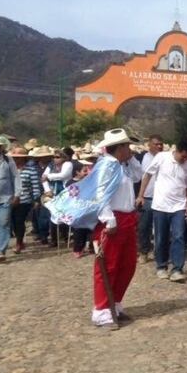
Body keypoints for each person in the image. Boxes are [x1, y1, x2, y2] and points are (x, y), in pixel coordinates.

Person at [46, 128, 139, 329]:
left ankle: (115, 303)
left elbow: (139, 176)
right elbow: (100, 193)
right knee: (109, 265)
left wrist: (131, 160)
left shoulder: (122, 165)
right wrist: (108, 219)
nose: (130, 149)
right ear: (120, 147)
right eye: (127, 146)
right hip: (113, 218)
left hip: (128, 218)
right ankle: (102, 310)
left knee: (127, 264)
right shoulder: (107, 165)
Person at [137, 140, 187, 282]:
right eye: (183, 157)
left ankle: (177, 269)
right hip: (160, 205)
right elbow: (147, 175)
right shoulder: (162, 157)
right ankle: (161, 266)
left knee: (179, 236)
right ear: (176, 151)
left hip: (179, 206)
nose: (185, 160)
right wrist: (141, 195)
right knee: (161, 237)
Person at [9, 146, 41, 254]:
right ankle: (20, 240)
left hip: (24, 200)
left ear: (24, 158)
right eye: (15, 157)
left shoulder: (31, 171)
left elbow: (35, 186)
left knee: (19, 221)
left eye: (19, 157)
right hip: (9, 199)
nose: (16, 159)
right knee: (12, 222)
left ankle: (19, 242)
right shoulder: (8, 170)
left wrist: (36, 200)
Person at [137, 135, 164, 263]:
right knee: (144, 226)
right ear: (149, 145)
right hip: (146, 197)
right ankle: (144, 251)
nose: (159, 146)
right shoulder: (142, 157)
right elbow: (139, 177)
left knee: (160, 227)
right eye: (156, 144)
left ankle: (157, 251)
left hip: (161, 197)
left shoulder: (165, 158)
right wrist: (139, 195)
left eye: (161, 144)